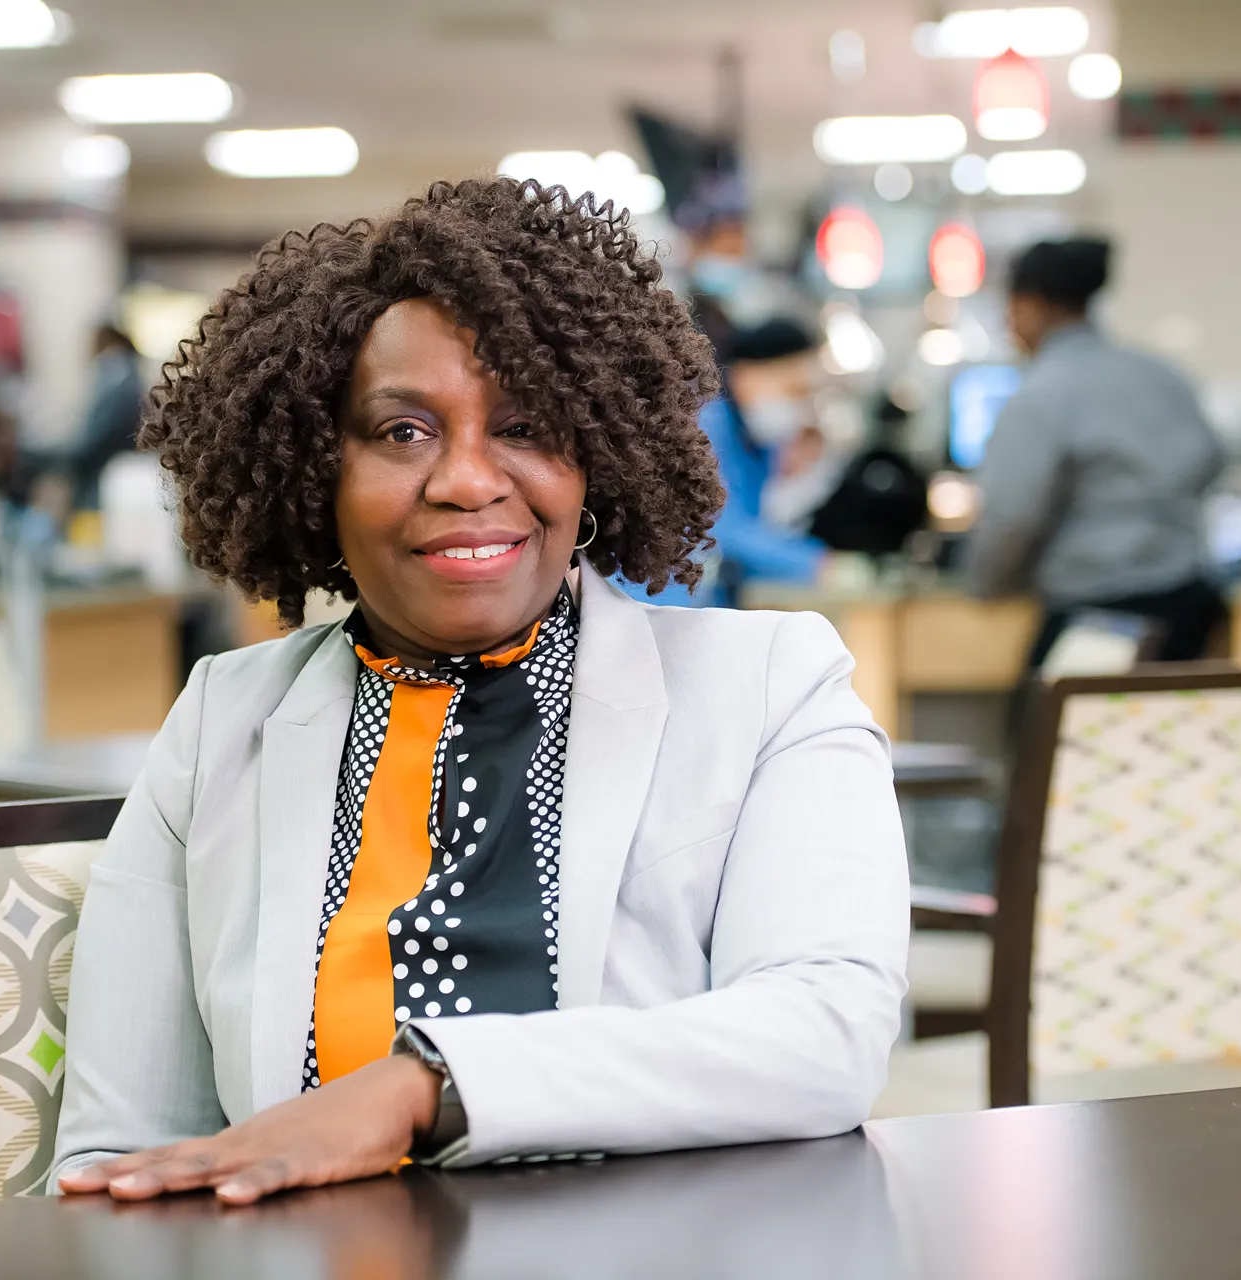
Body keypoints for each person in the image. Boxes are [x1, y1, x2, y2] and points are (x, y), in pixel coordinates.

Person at [50, 178, 909, 1204]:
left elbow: (825, 1035)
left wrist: (427, 1087)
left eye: (527, 425)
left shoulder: (771, 687)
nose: (466, 479)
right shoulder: (220, 722)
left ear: (598, 451)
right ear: (313, 467)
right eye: (402, 431)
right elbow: (118, 1148)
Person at [965, 237, 1228, 668]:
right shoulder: (1161, 376)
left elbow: (1012, 515)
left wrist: (984, 585)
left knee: (1048, 730)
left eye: (1009, 307)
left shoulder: (1042, 393)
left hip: (1097, 616)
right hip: (1189, 606)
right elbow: (1212, 461)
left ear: (1033, 304)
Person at [616, 319, 830, 606]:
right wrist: (816, 562)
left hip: (706, 596)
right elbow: (722, 529)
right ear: (747, 375)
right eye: (794, 390)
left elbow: (749, 528)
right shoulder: (704, 427)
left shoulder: (756, 441)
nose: (800, 404)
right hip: (656, 599)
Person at [67, 323, 145, 509]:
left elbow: (97, 438)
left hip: (110, 475)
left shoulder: (122, 389)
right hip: (109, 474)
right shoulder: (124, 384)